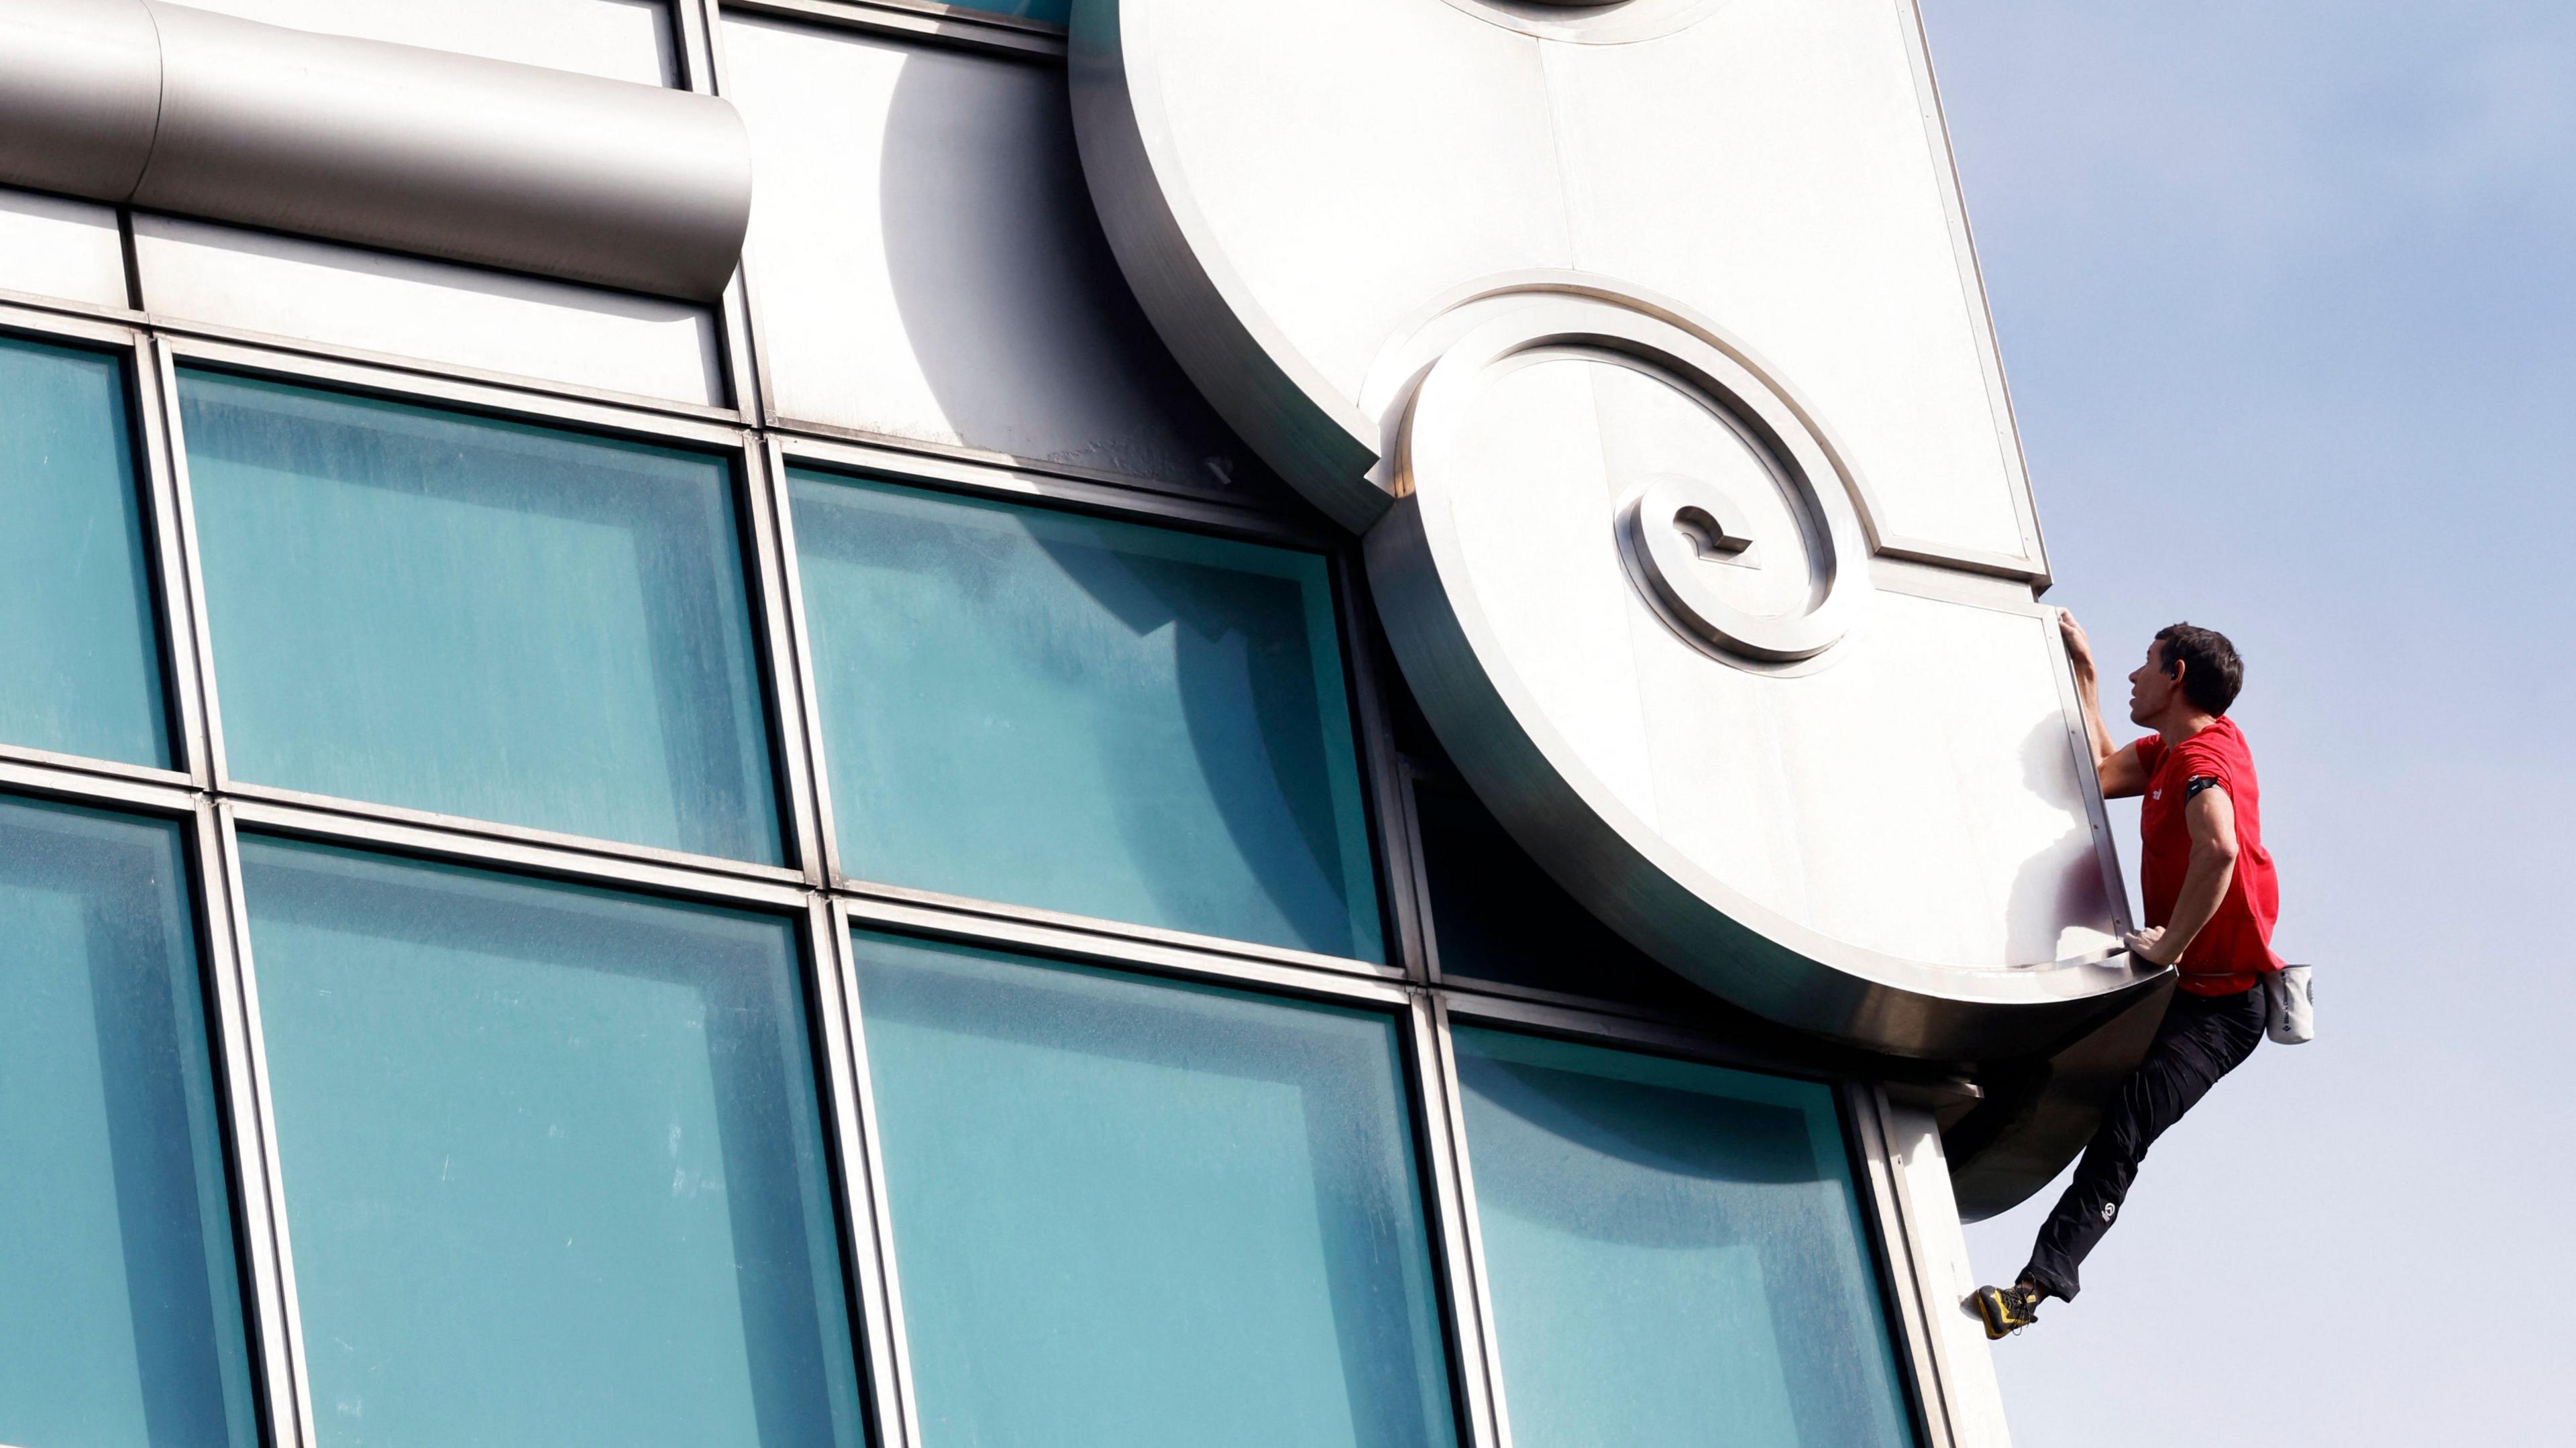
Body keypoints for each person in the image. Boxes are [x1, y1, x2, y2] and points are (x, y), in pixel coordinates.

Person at [1970, 614, 2284, 1339]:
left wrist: (2170, 945)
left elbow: (2219, 848)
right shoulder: (2170, 750)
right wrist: (2085, 675)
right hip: (2173, 984)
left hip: (2220, 1012)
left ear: (2178, 675)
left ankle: (2032, 1291)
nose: (2135, 676)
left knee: (2125, 1127)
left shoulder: (2205, 757)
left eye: (2146, 662)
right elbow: (2103, 772)